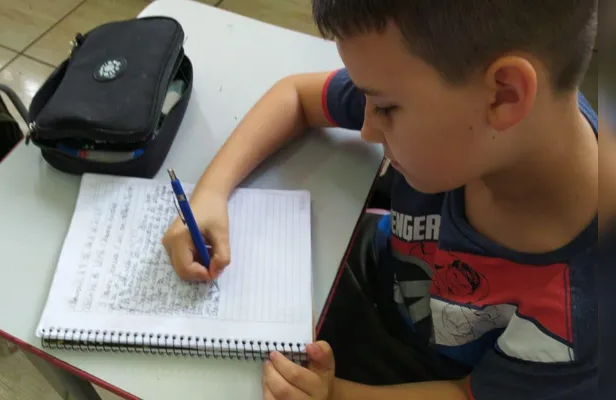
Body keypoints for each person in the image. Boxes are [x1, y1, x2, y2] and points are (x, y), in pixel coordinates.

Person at [162, 1, 598, 399]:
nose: (368, 130)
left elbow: (470, 394)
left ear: (504, 94)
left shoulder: (584, 314)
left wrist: (335, 394)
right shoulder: (473, 110)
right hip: (380, 279)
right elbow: (296, 95)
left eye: (386, 109)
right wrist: (210, 194)